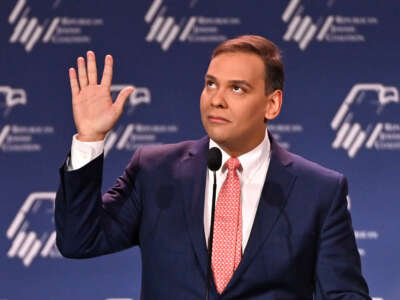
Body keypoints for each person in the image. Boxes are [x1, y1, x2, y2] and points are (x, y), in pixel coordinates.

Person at [55, 35, 371, 299]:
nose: (216, 100)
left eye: (237, 89)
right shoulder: (155, 172)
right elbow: (79, 240)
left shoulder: (318, 191)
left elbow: (344, 294)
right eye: (210, 84)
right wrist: (90, 137)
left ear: (271, 104)